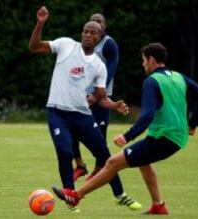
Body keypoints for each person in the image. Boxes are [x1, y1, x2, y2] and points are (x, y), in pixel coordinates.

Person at [52, 42, 198, 215]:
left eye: (143, 60)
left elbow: (147, 115)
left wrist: (128, 136)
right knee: (143, 163)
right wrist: (194, 123)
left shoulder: (151, 82)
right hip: (170, 137)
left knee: (112, 163)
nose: (143, 64)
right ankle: (158, 205)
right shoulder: (177, 77)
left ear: (151, 60)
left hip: (164, 139)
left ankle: (76, 196)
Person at [29, 6, 139, 212]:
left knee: (105, 156)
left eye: (93, 33)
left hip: (82, 116)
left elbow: (101, 99)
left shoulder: (99, 66)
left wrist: (115, 105)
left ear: (99, 37)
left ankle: (120, 194)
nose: (88, 35)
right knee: (64, 151)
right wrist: (40, 24)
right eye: (85, 31)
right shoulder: (66, 45)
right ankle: (70, 198)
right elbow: (34, 47)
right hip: (57, 112)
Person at [73, 13, 120, 182]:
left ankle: (99, 169)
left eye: (99, 22)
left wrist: (97, 94)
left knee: (100, 136)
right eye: (92, 22)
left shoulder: (109, 44)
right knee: (72, 129)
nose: (95, 25)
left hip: (100, 97)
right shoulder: (83, 44)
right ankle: (79, 165)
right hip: (83, 95)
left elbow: (110, 69)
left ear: (104, 27)